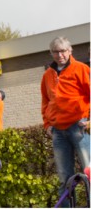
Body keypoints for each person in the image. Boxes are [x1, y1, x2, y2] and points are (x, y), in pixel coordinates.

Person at [40, 36, 90, 203]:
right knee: (64, 178)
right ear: (51, 53)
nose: (60, 55)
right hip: (58, 132)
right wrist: (47, 124)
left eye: (63, 51)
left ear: (70, 51)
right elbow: (45, 101)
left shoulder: (82, 69)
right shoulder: (47, 75)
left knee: (89, 173)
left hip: (79, 127)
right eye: (56, 51)